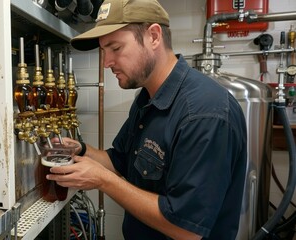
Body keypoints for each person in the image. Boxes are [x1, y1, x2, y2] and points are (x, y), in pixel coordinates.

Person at [46, 0, 248, 239]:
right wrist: (80, 150)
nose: (106, 62)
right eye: (103, 51)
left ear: (153, 36)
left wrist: (102, 181)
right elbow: (118, 160)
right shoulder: (147, 98)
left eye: (115, 48)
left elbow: (185, 229)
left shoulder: (204, 114)